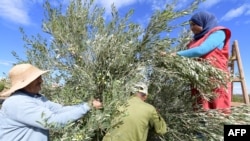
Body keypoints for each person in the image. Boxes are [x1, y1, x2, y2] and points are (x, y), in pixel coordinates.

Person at [0, 63, 102, 141]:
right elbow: (54, 122)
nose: (41, 81)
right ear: (25, 83)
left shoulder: (36, 98)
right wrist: (86, 108)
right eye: (36, 78)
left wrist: (88, 105)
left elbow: (60, 110)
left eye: (39, 77)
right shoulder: (18, 103)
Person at [163, 11, 232, 113]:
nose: (191, 28)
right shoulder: (194, 41)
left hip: (215, 80)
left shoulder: (218, 33)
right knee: (201, 111)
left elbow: (201, 50)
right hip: (199, 81)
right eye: (190, 25)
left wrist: (174, 55)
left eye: (194, 24)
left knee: (218, 111)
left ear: (203, 22)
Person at [102, 82, 167, 141]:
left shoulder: (116, 103)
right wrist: (158, 114)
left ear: (131, 93)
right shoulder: (150, 109)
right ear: (145, 96)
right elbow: (161, 130)